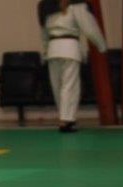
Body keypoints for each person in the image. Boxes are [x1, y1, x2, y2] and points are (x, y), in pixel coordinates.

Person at [38, 0, 106, 133]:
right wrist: (101, 45)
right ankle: (66, 120)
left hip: (53, 49)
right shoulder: (77, 4)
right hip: (70, 48)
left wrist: (45, 50)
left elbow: (44, 32)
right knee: (69, 86)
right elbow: (89, 28)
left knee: (57, 86)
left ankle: (63, 117)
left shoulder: (46, 5)